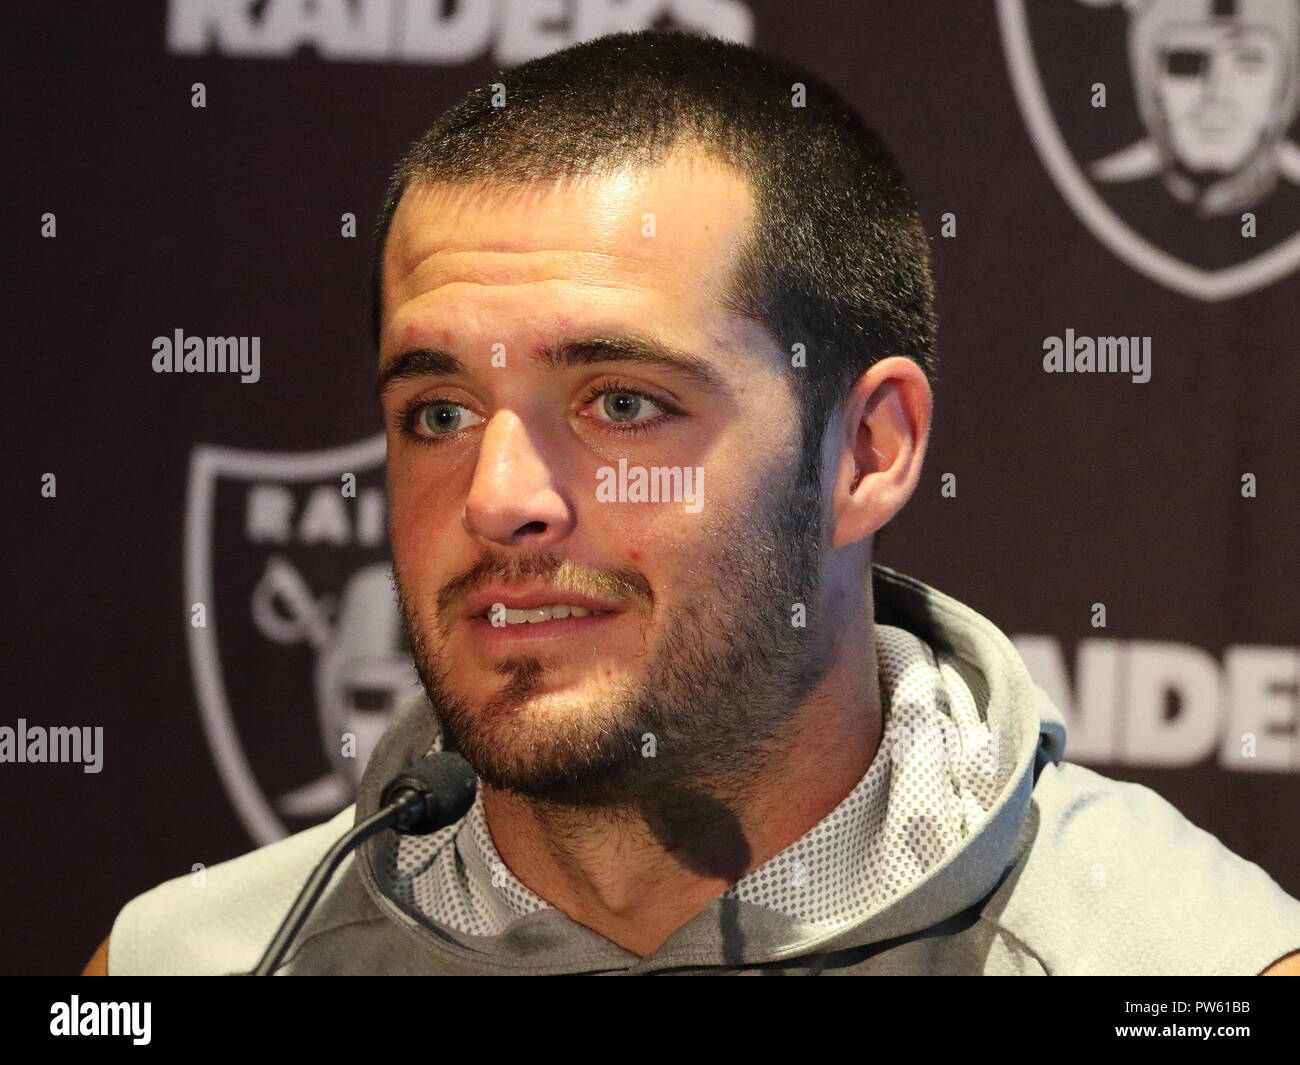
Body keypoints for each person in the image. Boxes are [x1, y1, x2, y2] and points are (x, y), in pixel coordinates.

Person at [88, 28, 1300, 976]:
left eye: (620, 403)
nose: (499, 499)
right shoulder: (184, 967)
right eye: (440, 414)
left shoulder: (1190, 972)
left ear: (865, 453)